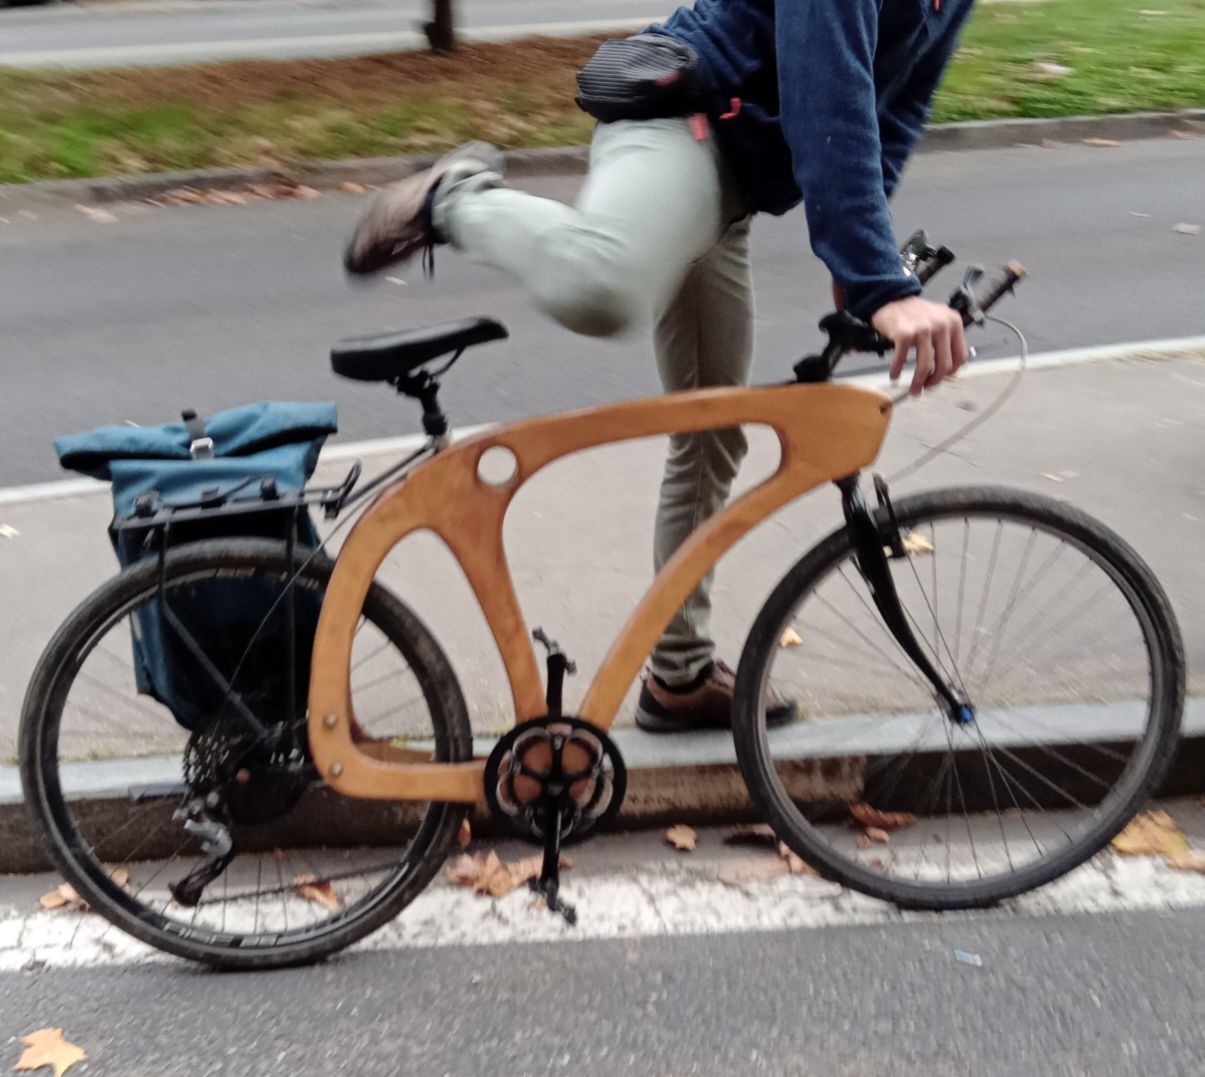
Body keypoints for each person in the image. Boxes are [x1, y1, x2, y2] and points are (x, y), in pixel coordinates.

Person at [344, 0, 975, 733]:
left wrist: (861, 271)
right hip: (679, 126)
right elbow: (825, 92)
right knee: (600, 287)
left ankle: (677, 675)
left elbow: (896, 106)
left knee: (711, 430)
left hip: (731, 182)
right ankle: (453, 197)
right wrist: (876, 284)